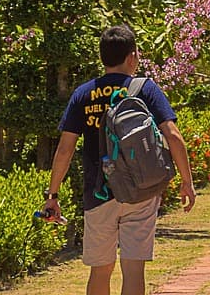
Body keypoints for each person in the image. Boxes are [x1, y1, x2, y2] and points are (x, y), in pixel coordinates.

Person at [47, 25, 195, 295]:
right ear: (131, 57)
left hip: (98, 191)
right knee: (134, 269)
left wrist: (52, 193)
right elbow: (173, 136)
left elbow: (65, 149)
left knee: (101, 270)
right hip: (141, 189)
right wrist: (187, 181)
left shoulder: (84, 94)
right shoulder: (145, 89)